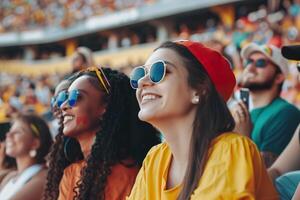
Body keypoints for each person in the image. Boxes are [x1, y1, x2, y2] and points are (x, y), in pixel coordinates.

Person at [127, 40, 278, 199]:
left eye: (159, 71)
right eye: (139, 75)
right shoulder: (155, 158)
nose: (142, 82)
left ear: (199, 90)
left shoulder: (230, 150)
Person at [43, 67, 160, 200]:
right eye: (64, 97)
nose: (63, 105)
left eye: (75, 96)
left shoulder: (126, 174)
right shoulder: (71, 173)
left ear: (105, 106)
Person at [232, 43, 300, 167]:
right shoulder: (247, 114)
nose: (250, 68)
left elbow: (269, 174)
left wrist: (243, 139)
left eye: (260, 63)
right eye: (249, 62)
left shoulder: (286, 113)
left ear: (279, 77)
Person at [268, 44, 300, 200]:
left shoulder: (286, 112)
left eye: (260, 63)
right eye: (299, 67)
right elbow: (278, 170)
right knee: (280, 183)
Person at [0, 114, 52, 200]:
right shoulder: (10, 176)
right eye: (10, 130)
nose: (8, 135)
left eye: (18, 132)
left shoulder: (43, 177)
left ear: (35, 143)